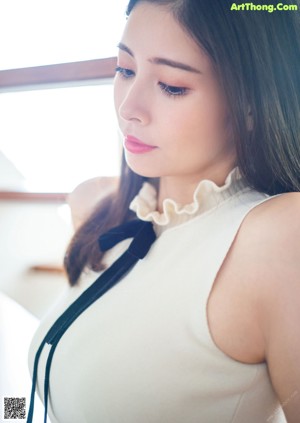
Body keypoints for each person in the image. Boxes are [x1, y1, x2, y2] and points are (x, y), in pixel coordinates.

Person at [28, 0, 300, 422]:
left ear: (252, 102)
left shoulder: (277, 236)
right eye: (125, 69)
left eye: (172, 85)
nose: (128, 108)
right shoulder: (101, 209)